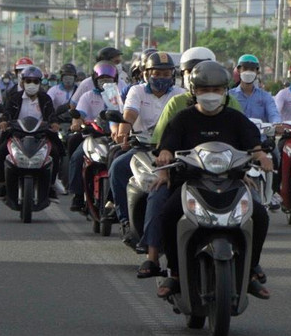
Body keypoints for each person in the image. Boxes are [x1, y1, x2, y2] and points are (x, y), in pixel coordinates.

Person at [146, 60, 274, 301]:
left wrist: (262, 156)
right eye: (205, 90)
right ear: (194, 91)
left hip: (232, 183)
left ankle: (251, 272)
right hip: (190, 184)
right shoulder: (183, 119)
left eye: (216, 90)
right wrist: (164, 155)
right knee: (168, 214)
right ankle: (174, 273)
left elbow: (253, 146)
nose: (211, 95)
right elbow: (167, 147)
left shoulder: (235, 119)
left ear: (225, 91)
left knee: (260, 215)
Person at [109, 51, 184, 246]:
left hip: (172, 153)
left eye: (166, 74)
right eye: (156, 73)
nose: (160, 78)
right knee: (117, 167)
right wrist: (123, 133)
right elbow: (130, 114)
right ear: (145, 74)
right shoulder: (137, 91)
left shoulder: (181, 95)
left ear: (173, 76)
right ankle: (126, 221)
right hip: (142, 148)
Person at [0, 65, 66, 201]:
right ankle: (0, 181)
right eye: (28, 81)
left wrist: (54, 123)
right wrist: (4, 121)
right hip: (17, 133)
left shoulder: (45, 98)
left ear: (40, 83)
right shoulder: (14, 97)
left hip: (41, 134)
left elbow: (51, 115)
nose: (31, 84)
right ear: (22, 82)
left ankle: (53, 183)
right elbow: (7, 113)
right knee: (1, 150)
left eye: (35, 81)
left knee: (56, 152)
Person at [67, 63, 121, 212]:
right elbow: (79, 114)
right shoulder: (88, 96)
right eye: (102, 78)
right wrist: (77, 122)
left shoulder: (119, 95)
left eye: (108, 78)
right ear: (95, 79)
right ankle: (77, 194)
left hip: (114, 137)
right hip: (92, 135)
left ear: (115, 79)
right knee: (77, 157)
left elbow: (125, 113)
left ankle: (117, 198)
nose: (105, 81)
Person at [229, 54, 279, 125]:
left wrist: (277, 123)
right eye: (245, 69)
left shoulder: (265, 96)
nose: (248, 72)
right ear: (239, 70)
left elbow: (273, 113)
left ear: (257, 72)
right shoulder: (230, 96)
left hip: (260, 135)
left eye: (252, 69)